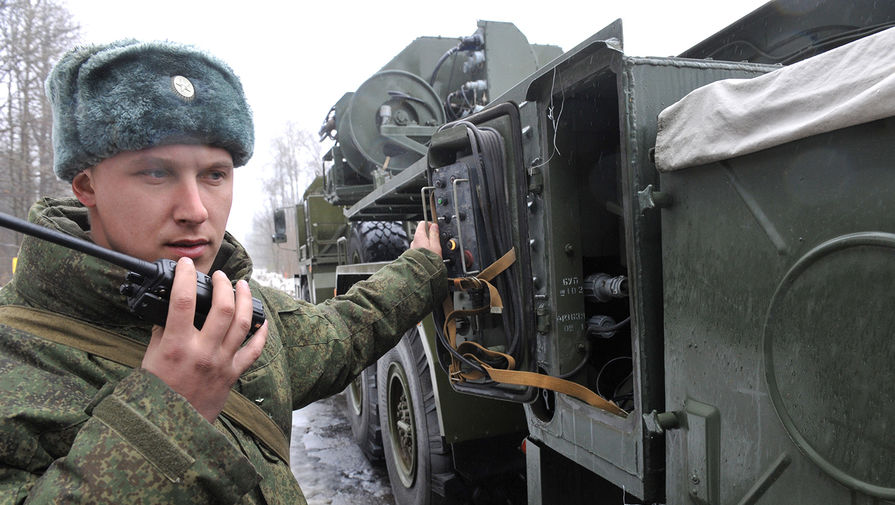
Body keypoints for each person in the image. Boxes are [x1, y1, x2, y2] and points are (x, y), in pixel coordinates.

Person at [0, 40, 445, 504]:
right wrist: (166, 418)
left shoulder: (232, 306)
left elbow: (344, 331)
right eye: (155, 173)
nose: (195, 211)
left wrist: (421, 267)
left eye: (215, 174)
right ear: (87, 187)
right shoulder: (19, 358)